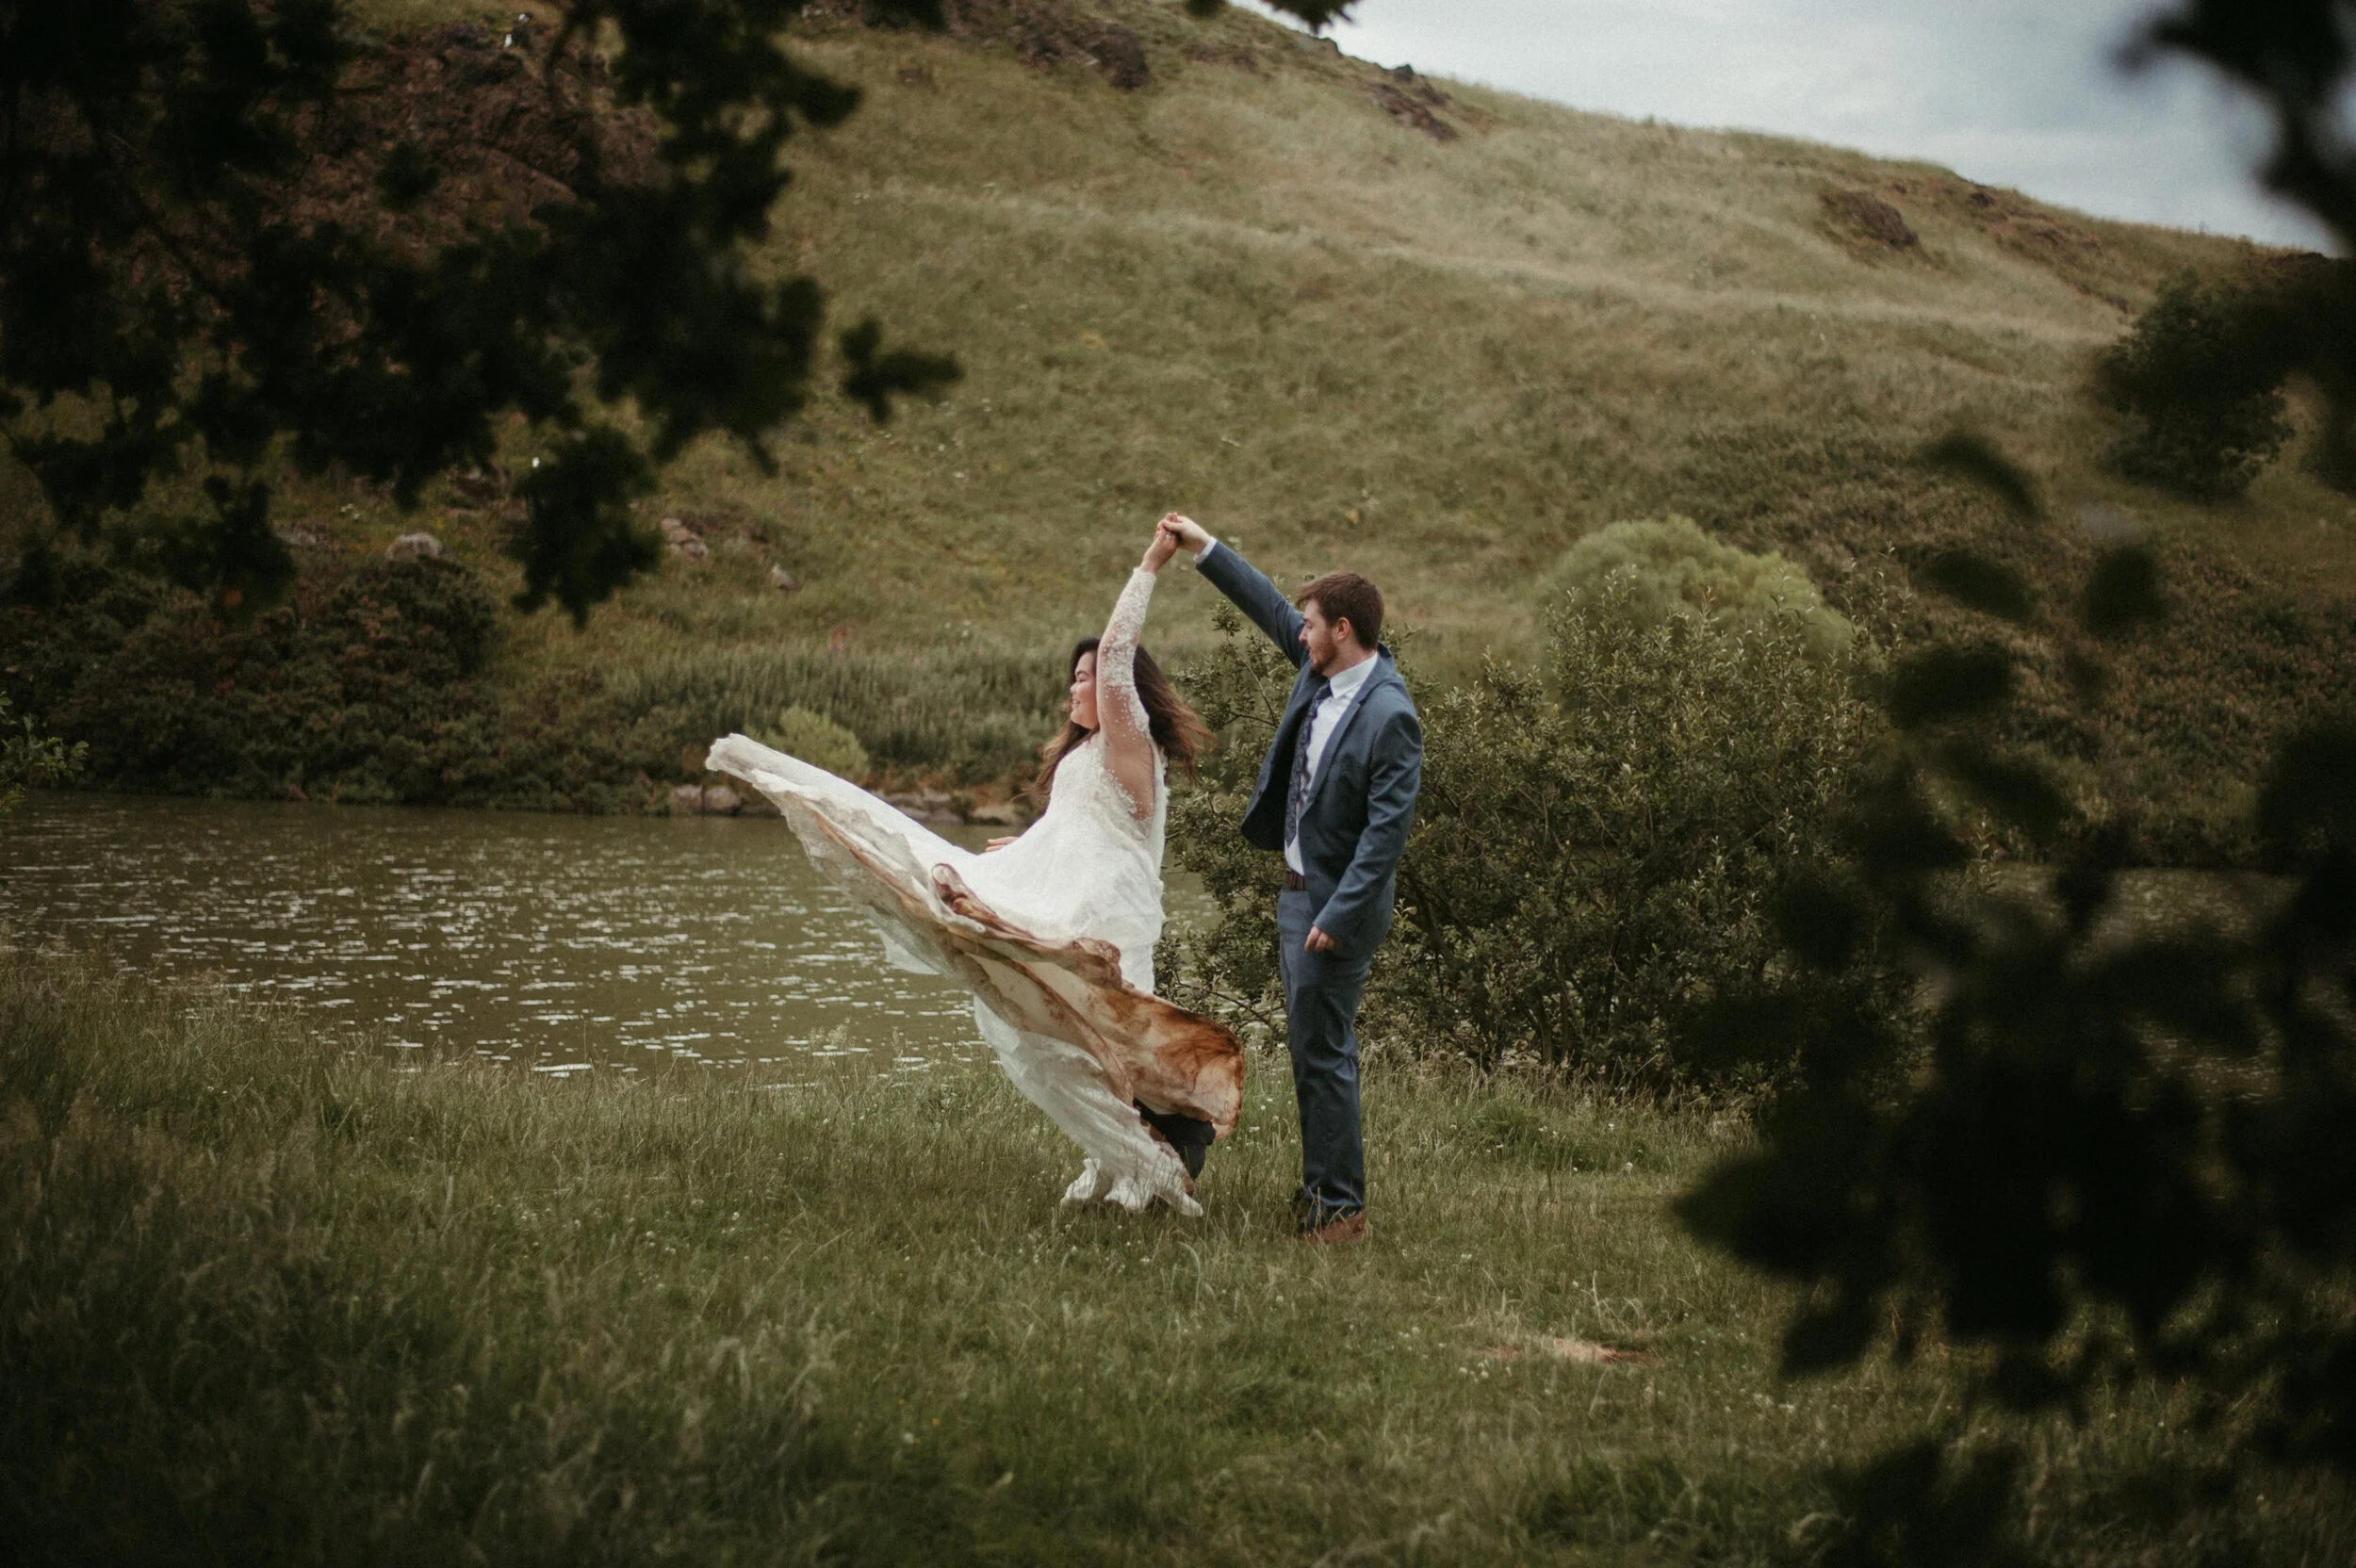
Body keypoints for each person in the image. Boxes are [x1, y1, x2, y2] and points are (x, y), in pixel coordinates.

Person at [708, 527, 1241, 1215]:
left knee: (1107, 1048)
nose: (1076, 689)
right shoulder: (1084, 760)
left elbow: (1113, 655)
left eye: (1085, 680)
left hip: (1111, 922)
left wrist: (1151, 564)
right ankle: (1113, 1159)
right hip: (1074, 910)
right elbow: (1075, 833)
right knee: (1050, 1038)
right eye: (1073, 679)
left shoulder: (1131, 748)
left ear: (1124, 694)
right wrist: (1017, 857)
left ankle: (1150, 1168)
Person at [1156, 514, 1422, 1246]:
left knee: (1324, 1052)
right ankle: (1321, 1193)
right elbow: (1268, 604)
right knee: (1311, 1050)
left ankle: (1340, 1211)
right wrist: (1203, 547)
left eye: (1310, 626)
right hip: (1296, 895)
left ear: (1342, 629)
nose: (1298, 634)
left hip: (1333, 911)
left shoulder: (1391, 716)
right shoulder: (1320, 668)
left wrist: (1337, 915)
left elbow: (1385, 836)